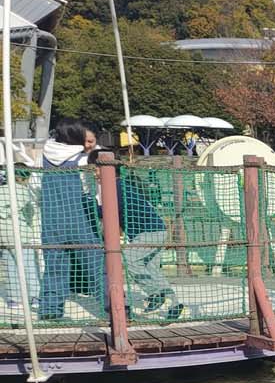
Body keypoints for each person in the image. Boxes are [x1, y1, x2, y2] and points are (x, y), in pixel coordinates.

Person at [38, 124, 106, 320]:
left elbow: (35, 186)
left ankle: (50, 310)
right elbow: (94, 188)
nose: (89, 145)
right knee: (96, 266)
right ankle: (114, 307)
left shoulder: (44, 154)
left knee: (54, 267)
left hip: (51, 219)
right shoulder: (84, 158)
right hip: (80, 217)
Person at [117, 168, 184, 318]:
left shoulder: (118, 187)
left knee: (128, 259)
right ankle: (174, 304)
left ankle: (155, 294)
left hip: (148, 234)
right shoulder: (135, 194)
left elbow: (109, 210)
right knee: (152, 269)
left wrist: (87, 203)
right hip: (159, 232)